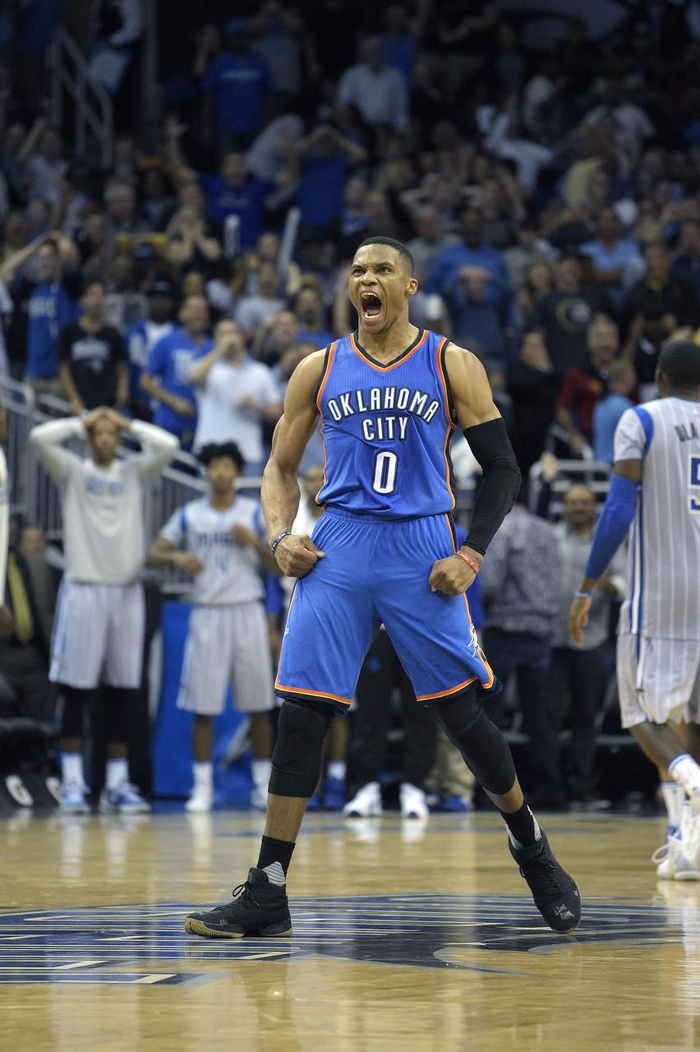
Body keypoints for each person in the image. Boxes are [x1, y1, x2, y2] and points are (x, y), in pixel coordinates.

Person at [184, 235, 580, 940]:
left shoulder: (450, 361)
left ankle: (533, 850)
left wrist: (471, 553)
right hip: (340, 542)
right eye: (358, 271)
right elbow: (279, 467)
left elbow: (503, 468)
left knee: (462, 715)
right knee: (302, 711)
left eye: (382, 270)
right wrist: (279, 536)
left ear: (409, 286)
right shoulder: (319, 366)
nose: (367, 280)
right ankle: (268, 889)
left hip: (422, 543)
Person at [569, 339, 700, 880]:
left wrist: (586, 587)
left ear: (660, 378)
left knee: (644, 717)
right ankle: (685, 845)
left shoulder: (642, 419)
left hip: (661, 596)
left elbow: (619, 509)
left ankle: (693, 781)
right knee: (688, 719)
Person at [29, 407, 179, 814]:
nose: (107, 438)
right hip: (84, 589)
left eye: (113, 433)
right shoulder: (73, 471)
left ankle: (116, 783)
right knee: (76, 690)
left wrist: (128, 423)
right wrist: (82, 421)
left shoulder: (133, 472)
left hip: (127, 592)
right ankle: (73, 781)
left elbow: (169, 446)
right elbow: (40, 438)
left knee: (123, 691)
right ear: (90, 439)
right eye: (100, 433)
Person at [148, 442, 278, 813]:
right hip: (206, 612)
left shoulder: (254, 512)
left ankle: (262, 787)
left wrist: (255, 542)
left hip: (246, 610)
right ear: (206, 472)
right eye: (215, 466)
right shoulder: (189, 515)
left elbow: (278, 567)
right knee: (202, 706)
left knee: (258, 705)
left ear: (237, 472)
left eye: (227, 466)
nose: (221, 473)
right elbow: (152, 555)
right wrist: (176, 556)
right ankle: (202, 787)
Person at [189, 318, 281, 472]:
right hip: (211, 450)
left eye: (232, 333)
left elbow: (277, 412)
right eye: (223, 334)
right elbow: (193, 377)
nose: (229, 338)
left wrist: (257, 407)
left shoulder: (260, 371)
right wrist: (220, 349)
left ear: (242, 337)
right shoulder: (209, 368)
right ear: (215, 339)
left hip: (248, 453)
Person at [140, 293, 213, 450]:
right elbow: (145, 381)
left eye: (202, 311)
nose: (198, 315)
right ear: (182, 314)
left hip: (200, 427)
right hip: (168, 421)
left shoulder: (213, 348)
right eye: (193, 310)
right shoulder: (167, 341)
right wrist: (174, 402)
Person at [58, 281, 129, 415]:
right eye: (92, 295)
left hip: (108, 404)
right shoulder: (69, 332)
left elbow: (120, 368)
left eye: (101, 295)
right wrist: (73, 399)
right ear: (83, 300)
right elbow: (64, 369)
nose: (97, 300)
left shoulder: (112, 334)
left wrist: (122, 392)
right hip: (80, 404)